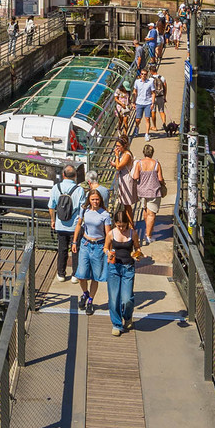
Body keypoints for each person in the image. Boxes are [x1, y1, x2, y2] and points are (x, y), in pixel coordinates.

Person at [70, 184, 110, 314]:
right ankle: (85, 293)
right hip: (85, 244)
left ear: (100, 200)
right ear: (89, 200)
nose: (95, 202)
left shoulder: (105, 214)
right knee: (81, 274)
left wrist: (107, 248)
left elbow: (108, 234)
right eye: (93, 199)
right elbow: (78, 225)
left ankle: (91, 300)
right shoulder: (85, 210)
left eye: (97, 199)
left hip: (98, 246)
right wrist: (74, 242)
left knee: (95, 276)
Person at [105, 201, 142, 334]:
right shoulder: (111, 234)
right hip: (114, 267)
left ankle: (127, 316)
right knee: (114, 298)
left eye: (123, 226)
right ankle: (116, 324)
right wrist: (108, 253)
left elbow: (137, 247)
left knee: (127, 298)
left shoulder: (132, 233)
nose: (121, 229)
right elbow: (105, 247)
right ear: (115, 224)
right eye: (119, 226)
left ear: (127, 224)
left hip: (128, 268)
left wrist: (137, 253)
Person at [48, 160, 86, 281]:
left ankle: (61, 273)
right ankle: (75, 274)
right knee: (76, 249)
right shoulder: (79, 190)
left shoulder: (56, 187)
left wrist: (53, 220)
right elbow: (82, 209)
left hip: (60, 224)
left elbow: (51, 206)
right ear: (75, 176)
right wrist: (80, 222)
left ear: (63, 175)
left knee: (62, 249)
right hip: (74, 225)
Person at [133, 138, 166, 244]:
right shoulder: (156, 163)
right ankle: (148, 235)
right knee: (152, 214)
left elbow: (135, 176)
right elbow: (160, 178)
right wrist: (163, 184)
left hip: (141, 191)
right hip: (154, 191)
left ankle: (147, 231)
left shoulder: (139, 163)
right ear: (152, 153)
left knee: (145, 211)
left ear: (144, 153)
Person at [133, 67, 156, 136]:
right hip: (139, 102)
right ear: (140, 74)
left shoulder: (150, 82)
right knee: (138, 119)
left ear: (147, 75)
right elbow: (135, 92)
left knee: (147, 118)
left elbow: (153, 93)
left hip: (147, 103)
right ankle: (137, 128)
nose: (143, 76)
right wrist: (133, 102)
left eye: (145, 74)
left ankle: (147, 134)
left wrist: (152, 103)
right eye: (142, 74)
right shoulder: (137, 82)